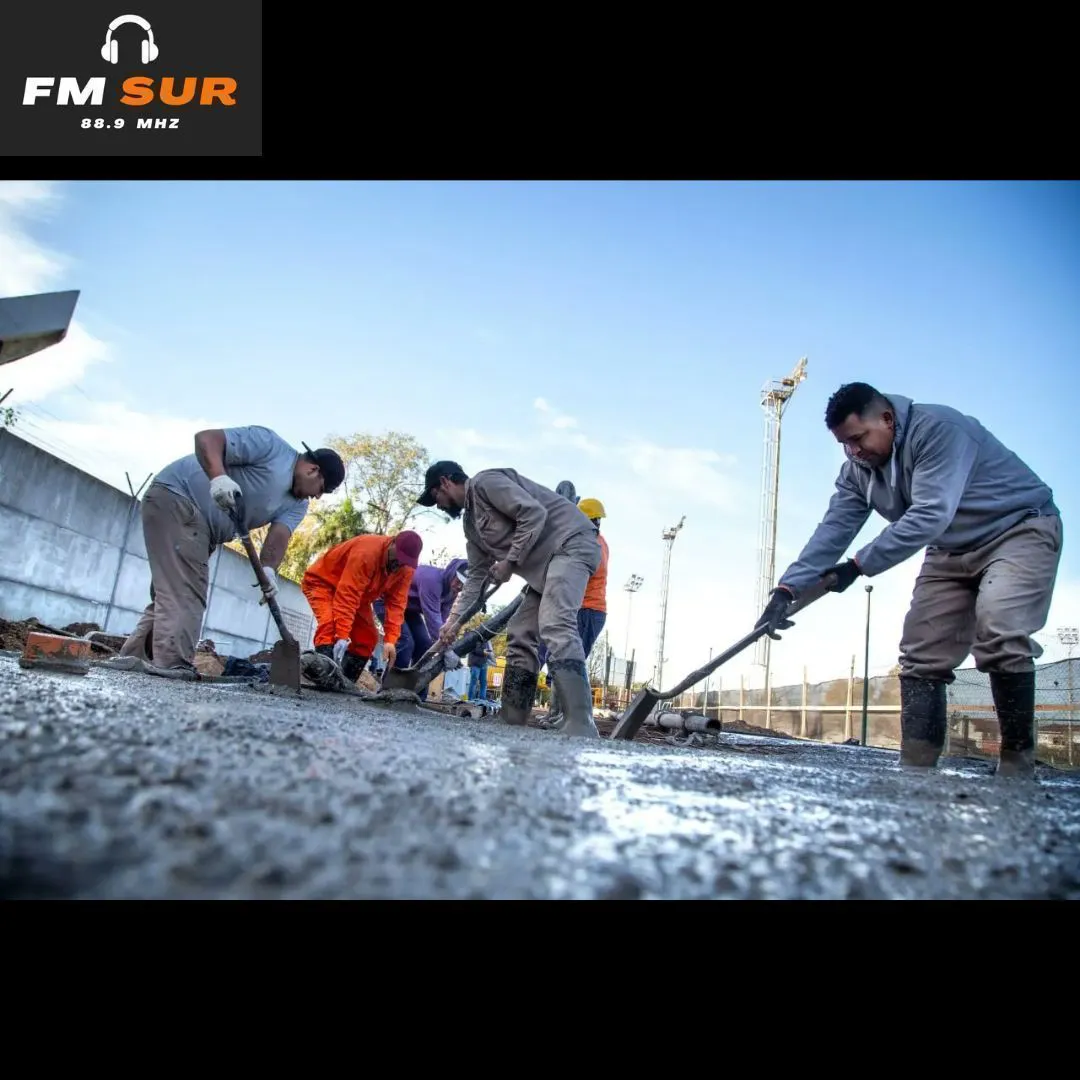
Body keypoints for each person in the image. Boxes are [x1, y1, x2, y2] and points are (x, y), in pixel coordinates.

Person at [756, 382, 1062, 778]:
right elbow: (832, 531)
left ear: (886, 419)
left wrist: (857, 566)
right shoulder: (857, 472)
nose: (854, 451)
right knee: (921, 652)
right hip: (949, 548)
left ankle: (1017, 765)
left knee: (1000, 628)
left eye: (858, 438)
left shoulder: (939, 429)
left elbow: (930, 514)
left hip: (1017, 528)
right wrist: (787, 589)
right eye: (845, 444)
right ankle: (916, 769)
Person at [119, 426, 344, 672]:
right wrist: (218, 478)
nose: (318, 497)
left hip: (204, 530)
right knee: (185, 592)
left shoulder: (297, 503)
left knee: (171, 594)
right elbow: (206, 439)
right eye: (322, 489)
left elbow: (279, 536)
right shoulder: (270, 446)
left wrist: (268, 570)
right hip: (179, 499)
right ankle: (172, 666)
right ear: (313, 470)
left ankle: (133, 659)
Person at [417, 460, 602, 737]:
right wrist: (453, 622)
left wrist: (510, 561)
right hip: (544, 567)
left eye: (436, 497)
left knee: (555, 624)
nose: (440, 505)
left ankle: (581, 722)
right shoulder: (471, 525)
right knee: (520, 631)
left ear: (445, 483)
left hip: (570, 544)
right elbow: (476, 576)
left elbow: (533, 513)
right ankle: (513, 717)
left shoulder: (485, 483)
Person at [301, 530, 423, 683]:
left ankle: (344, 683)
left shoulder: (406, 569)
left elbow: (396, 604)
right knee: (329, 626)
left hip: (359, 596)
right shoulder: (367, 552)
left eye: (405, 561)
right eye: (398, 556)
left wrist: (391, 640)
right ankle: (321, 679)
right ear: (392, 542)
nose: (399, 563)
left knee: (367, 638)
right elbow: (348, 594)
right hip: (323, 583)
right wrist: (342, 635)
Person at [538, 497, 609, 729]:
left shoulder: (594, 545)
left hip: (589, 610)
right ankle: (556, 714)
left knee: (569, 660)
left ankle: (567, 716)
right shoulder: (591, 540)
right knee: (560, 658)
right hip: (581, 609)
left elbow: (576, 574)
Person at [374, 557, 469, 671]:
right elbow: (433, 618)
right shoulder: (432, 580)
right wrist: (446, 650)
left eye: (463, 584)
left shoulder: (452, 592)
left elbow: (443, 622)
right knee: (406, 642)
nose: (459, 586)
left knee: (425, 644)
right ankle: (390, 686)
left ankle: (415, 687)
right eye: (458, 580)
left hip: (409, 610)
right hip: (387, 602)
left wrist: (445, 644)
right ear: (452, 572)